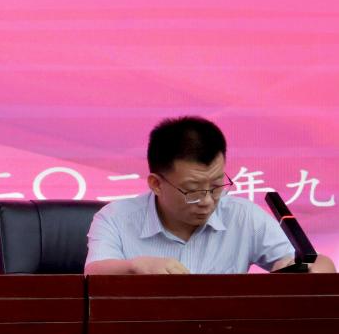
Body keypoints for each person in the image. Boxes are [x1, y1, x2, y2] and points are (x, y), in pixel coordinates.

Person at [85, 116, 335, 275]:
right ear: (156, 184)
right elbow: (94, 272)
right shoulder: (116, 218)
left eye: (216, 186)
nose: (207, 201)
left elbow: (308, 264)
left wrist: (313, 269)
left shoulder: (243, 216)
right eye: (193, 190)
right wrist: (135, 266)